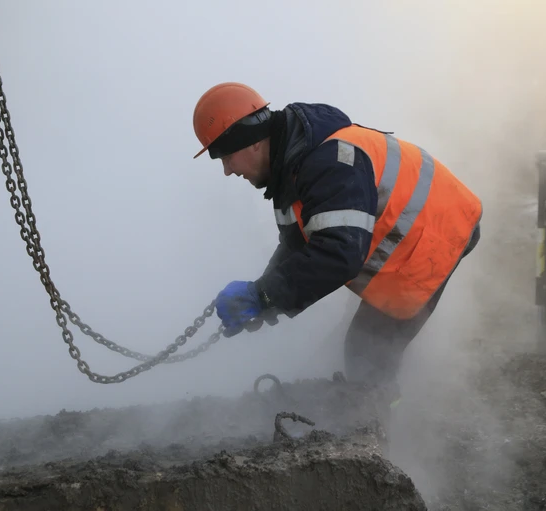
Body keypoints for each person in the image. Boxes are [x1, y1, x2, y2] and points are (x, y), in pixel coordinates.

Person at [192, 81, 482, 392]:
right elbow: (297, 245)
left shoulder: (329, 161)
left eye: (226, 157)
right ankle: (368, 405)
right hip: (417, 232)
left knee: (365, 354)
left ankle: (379, 416)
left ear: (250, 140)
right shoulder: (291, 170)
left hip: (438, 233)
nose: (227, 170)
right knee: (353, 344)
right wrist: (264, 299)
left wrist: (262, 296)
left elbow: (338, 254)